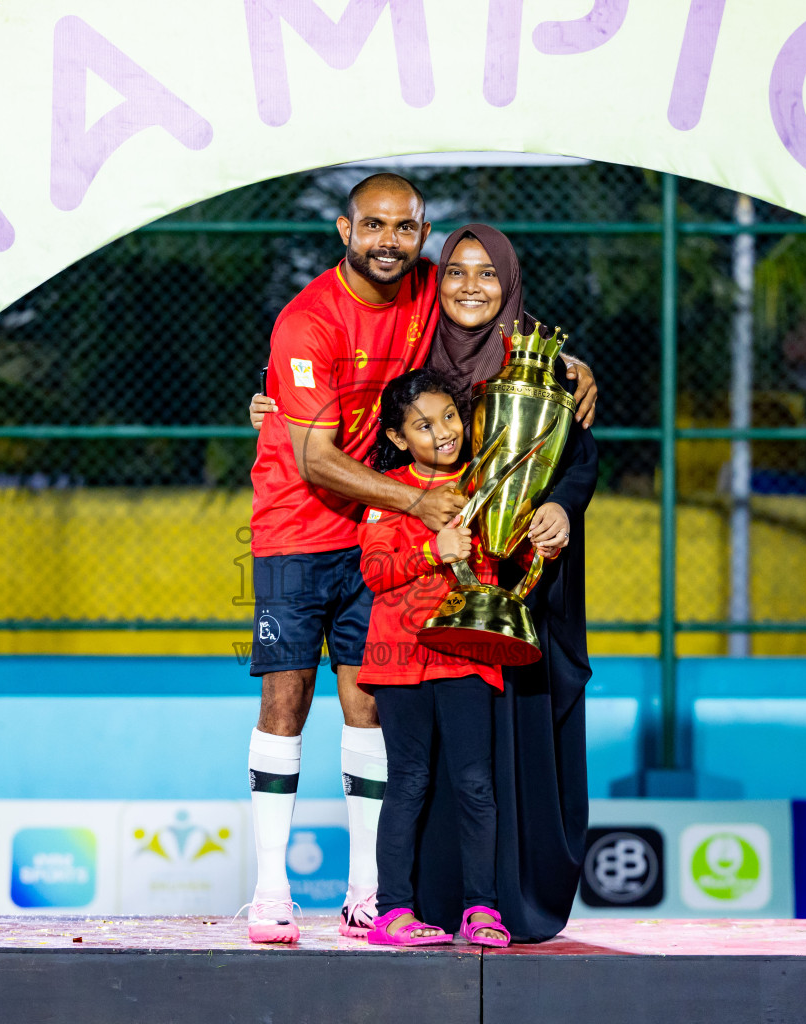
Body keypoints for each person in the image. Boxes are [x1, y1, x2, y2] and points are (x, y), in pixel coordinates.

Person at [251, 223, 599, 942]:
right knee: (414, 769)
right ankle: (393, 903)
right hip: (411, 626)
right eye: (457, 273)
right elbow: (342, 400)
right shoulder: (415, 338)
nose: (471, 287)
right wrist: (271, 402)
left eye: (489, 274)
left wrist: (560, 503)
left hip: (514, 590)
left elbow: (577, 459)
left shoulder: (539, 363)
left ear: (510, 281)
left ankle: (497, 902)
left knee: (484, 772)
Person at [244, 172, 465, 944]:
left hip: (372, 537)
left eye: (404, 229)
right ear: (345, 231)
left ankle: (367, 893)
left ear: (422, 230)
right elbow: (313, 459)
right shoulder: (307, 321)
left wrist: (571, 368)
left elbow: (496, 315)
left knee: (369, 703)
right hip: (296, 529)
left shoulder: (427, 287)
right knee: (286, 701)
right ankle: (270, 892)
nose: (389, 242)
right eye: (373, 227)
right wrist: (415, 502)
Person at [355, 368, 562, 947]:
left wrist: (537, 537)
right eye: (423, 425)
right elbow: (375, 572)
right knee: (410, 782)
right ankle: (392, 911)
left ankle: (482, 909)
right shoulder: (386, 492)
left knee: (475, 784)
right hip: (399, 661)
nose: (442, 432)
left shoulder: (489, 482)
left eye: (449, 416)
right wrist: (432, 549)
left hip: (469, 654)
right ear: (399, 439)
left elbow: (505, 550)